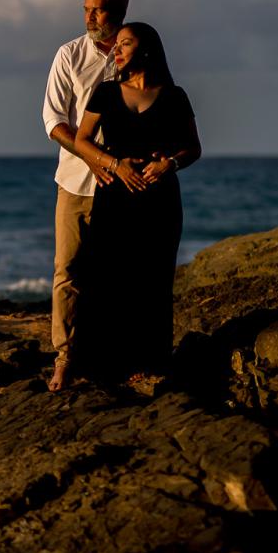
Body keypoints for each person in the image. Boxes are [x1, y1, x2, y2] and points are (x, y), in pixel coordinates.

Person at [71, 21, 201, 381]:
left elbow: (193, 148)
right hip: (114, 198)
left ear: (146, 50)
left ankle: (151, 362)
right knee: (105, 277)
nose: (117, 50)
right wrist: (113, 163)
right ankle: (99, 364)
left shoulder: (175, 96)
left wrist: (168, 164)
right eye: (118, 45)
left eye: (125, 44)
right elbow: (82, 140)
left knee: (153, 280)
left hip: (159, 202)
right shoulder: (107, 92)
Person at [42, 0, 127, 391]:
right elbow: (54, 122)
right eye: (86, 9)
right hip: (75, 181)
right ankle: (65, 357)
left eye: (100, 10)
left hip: (126, 184)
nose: (91, 17)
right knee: (68, 270)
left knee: (119, 273)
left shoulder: (135, 53)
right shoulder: (70, 55)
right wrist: (94, 158)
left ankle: (116, 358)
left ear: (120, 11)